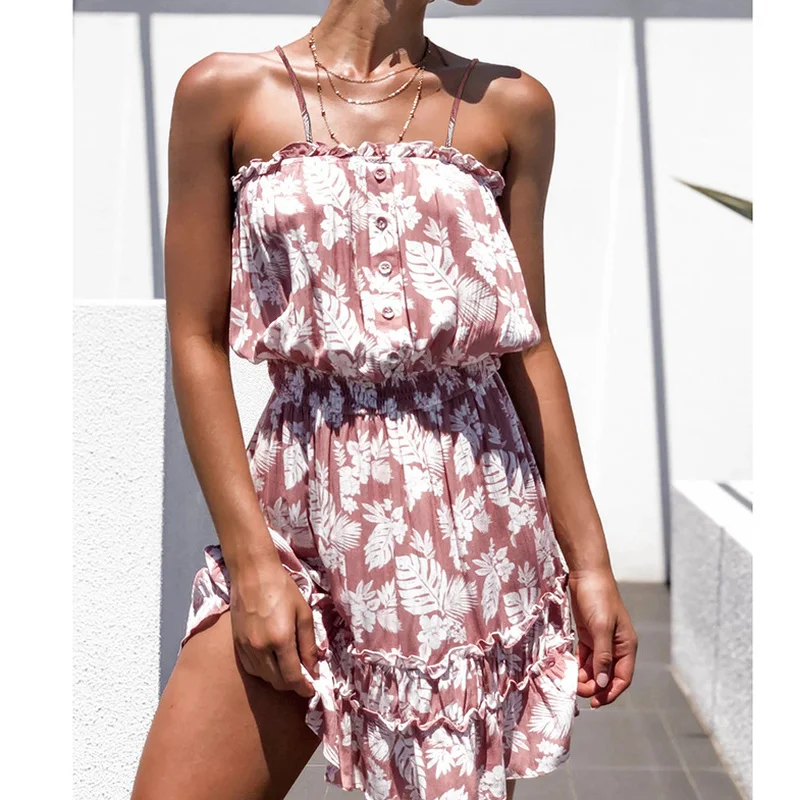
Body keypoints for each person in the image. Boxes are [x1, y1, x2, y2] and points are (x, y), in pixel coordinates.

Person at [131, 1, 638, 798]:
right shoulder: (225, 93)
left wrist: (592, 567)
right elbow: (194, 337)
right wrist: (252, 564)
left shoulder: (512, 106)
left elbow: (526, 346)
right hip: (296, 517)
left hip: (469, 530)